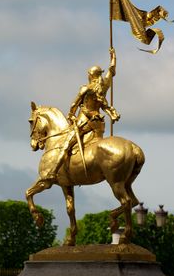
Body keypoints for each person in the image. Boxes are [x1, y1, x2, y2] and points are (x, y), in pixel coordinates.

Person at [45, 47, 120, 181]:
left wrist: (71, 115)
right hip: (98, 124)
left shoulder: (86, 88)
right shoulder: (104, 86)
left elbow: (74, 104)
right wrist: (113, 57)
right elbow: (111, 71)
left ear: (90, 75)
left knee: (66, 144)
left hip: (83, 122)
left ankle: (53, 171)